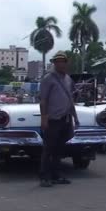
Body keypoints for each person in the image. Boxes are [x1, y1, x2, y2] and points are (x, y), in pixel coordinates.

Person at [39, 52, 80, 187]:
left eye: (63, 61)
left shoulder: (68, 79)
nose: (60, 63)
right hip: (52, 119)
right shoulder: (48, 79)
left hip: (65, 118)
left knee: (59, 149)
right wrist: (44, 118)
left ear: (66, 63)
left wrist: (75, 117)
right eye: (58, 61)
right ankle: (44, 177)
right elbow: (43, 100)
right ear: (54, 63)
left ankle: (56, 175)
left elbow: (71, 98)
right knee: (48, 149)